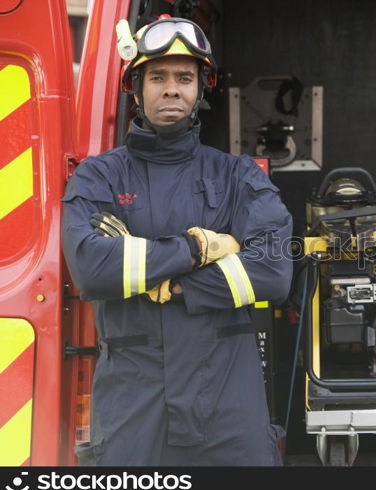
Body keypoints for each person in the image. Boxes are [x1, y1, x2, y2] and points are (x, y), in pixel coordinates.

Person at [61, 15, 292, 466]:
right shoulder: (99, 176)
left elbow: (272, 271)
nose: (172, 89)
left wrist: (173, 282)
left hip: (228, 402)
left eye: (185, 78)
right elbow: (91, 266)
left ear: (200, 89)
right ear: (135, 88)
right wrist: (196, 248)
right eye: (158, 77)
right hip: (134, 402)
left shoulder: (236, 175)